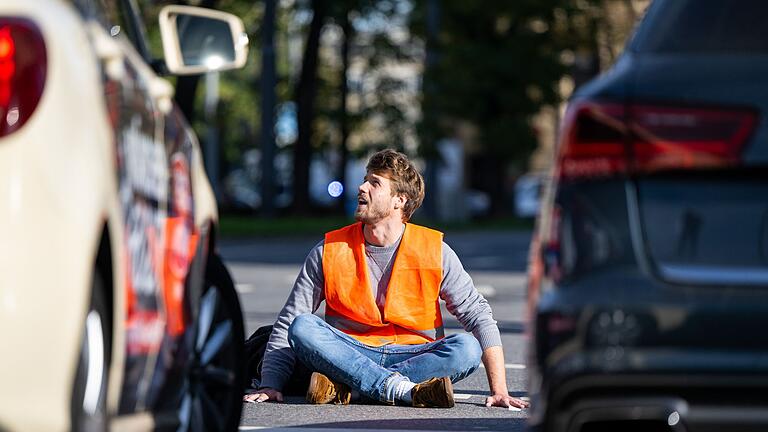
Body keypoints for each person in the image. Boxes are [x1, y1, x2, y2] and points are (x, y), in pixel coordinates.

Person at [243, 149, 529, 409]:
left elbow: (479, 316)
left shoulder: (435, 250)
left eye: (375, 183)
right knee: (302, 326)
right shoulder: (328, 249)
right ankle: (397, 389)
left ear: (399, 200)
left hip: (413, 354)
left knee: (467, 348)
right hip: (347, 350)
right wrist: (271, 384)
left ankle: (352, 388)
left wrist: (500, 390)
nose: (361, 187)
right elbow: (290, 320)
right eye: (366, 179)